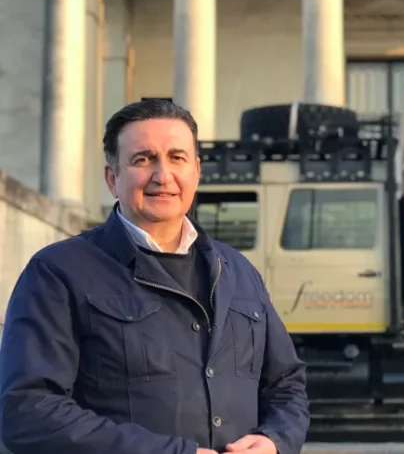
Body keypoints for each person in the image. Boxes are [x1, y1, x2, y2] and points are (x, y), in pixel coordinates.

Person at [0, 99, 309, 454]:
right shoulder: (59, 272)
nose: (163, 176)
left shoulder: (238, 270)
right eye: (143, 159)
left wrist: (275, 440)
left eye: (177, 158)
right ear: (112, 178)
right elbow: (28, 411)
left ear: (196, 171)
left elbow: (286, 384)